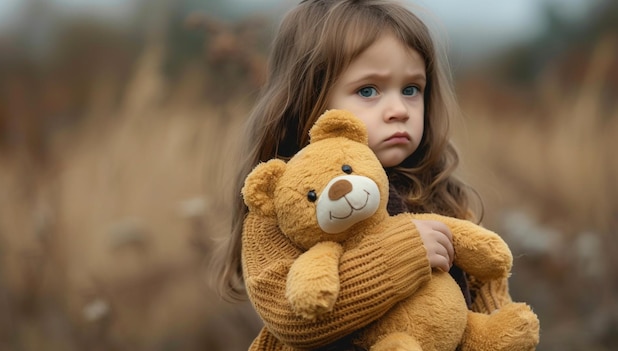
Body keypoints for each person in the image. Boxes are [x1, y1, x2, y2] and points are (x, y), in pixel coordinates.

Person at [216, 0, 540, 350]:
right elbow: (292, 319)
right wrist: (403, 253)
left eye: (411, 89)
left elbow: (487, 286)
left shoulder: (439, 191)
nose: (399, 110)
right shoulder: (282, 207)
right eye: (368, 91)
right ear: (307, 99)